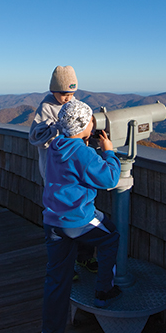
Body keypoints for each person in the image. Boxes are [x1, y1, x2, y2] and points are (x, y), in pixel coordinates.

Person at [39, 99, 128, 333]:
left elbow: (73, 164)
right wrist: (108, 151)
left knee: (56, 281)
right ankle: (103, 291)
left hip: (53, 222)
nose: (93, 124)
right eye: (91, 121)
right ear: (83, 126)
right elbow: (109, 178)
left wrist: (86, 143)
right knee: (111, 236)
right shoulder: (84, 153)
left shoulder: (57, 145)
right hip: (78, 221)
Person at [29, 66, 97, 279]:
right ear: (53, 90)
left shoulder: (75, 104)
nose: (67, 98)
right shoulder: (45, 109)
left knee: (83, 214)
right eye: (63, 94)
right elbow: (35, 138)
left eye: (71, 93)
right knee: (62, 223)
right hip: (56, 176)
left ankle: (84, 256)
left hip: (76, 172)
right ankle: (68, 266)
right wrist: (56, 128)